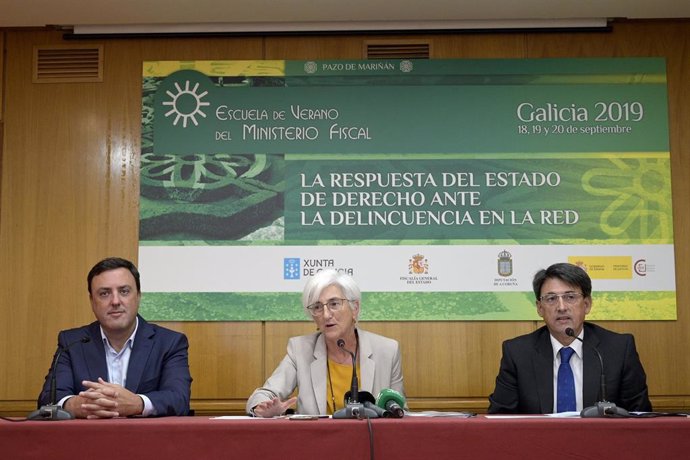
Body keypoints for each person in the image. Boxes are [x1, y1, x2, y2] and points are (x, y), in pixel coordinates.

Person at [37, 257, 192, 418]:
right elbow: (48, 398)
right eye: (104, 293)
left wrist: (137, 403)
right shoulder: (72, 342)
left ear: (138, 296)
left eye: (124, 291)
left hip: (147, 440)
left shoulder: (169, 343)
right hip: (87, 440)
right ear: (92, 300)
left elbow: (179, 399)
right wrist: (77, 405)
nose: (115, 301)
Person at [488, 262, 652, 414]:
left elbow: (639, 415)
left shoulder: (618, 349)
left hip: (601, 443)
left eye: (570, 297)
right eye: (551, 299)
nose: (561, 307)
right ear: (539, 308)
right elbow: (500, 417)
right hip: (538, 443)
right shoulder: (518, 353)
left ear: (586, 304)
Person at [246, 269, 405, 416]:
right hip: (317, 442)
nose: (326, 314)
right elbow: (263, 394)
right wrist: (263, 408)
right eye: (317, 307)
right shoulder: (300, 350)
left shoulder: (387, 350)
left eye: (334, 304)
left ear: (354, 308)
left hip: (370, 443)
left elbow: (398, 409)